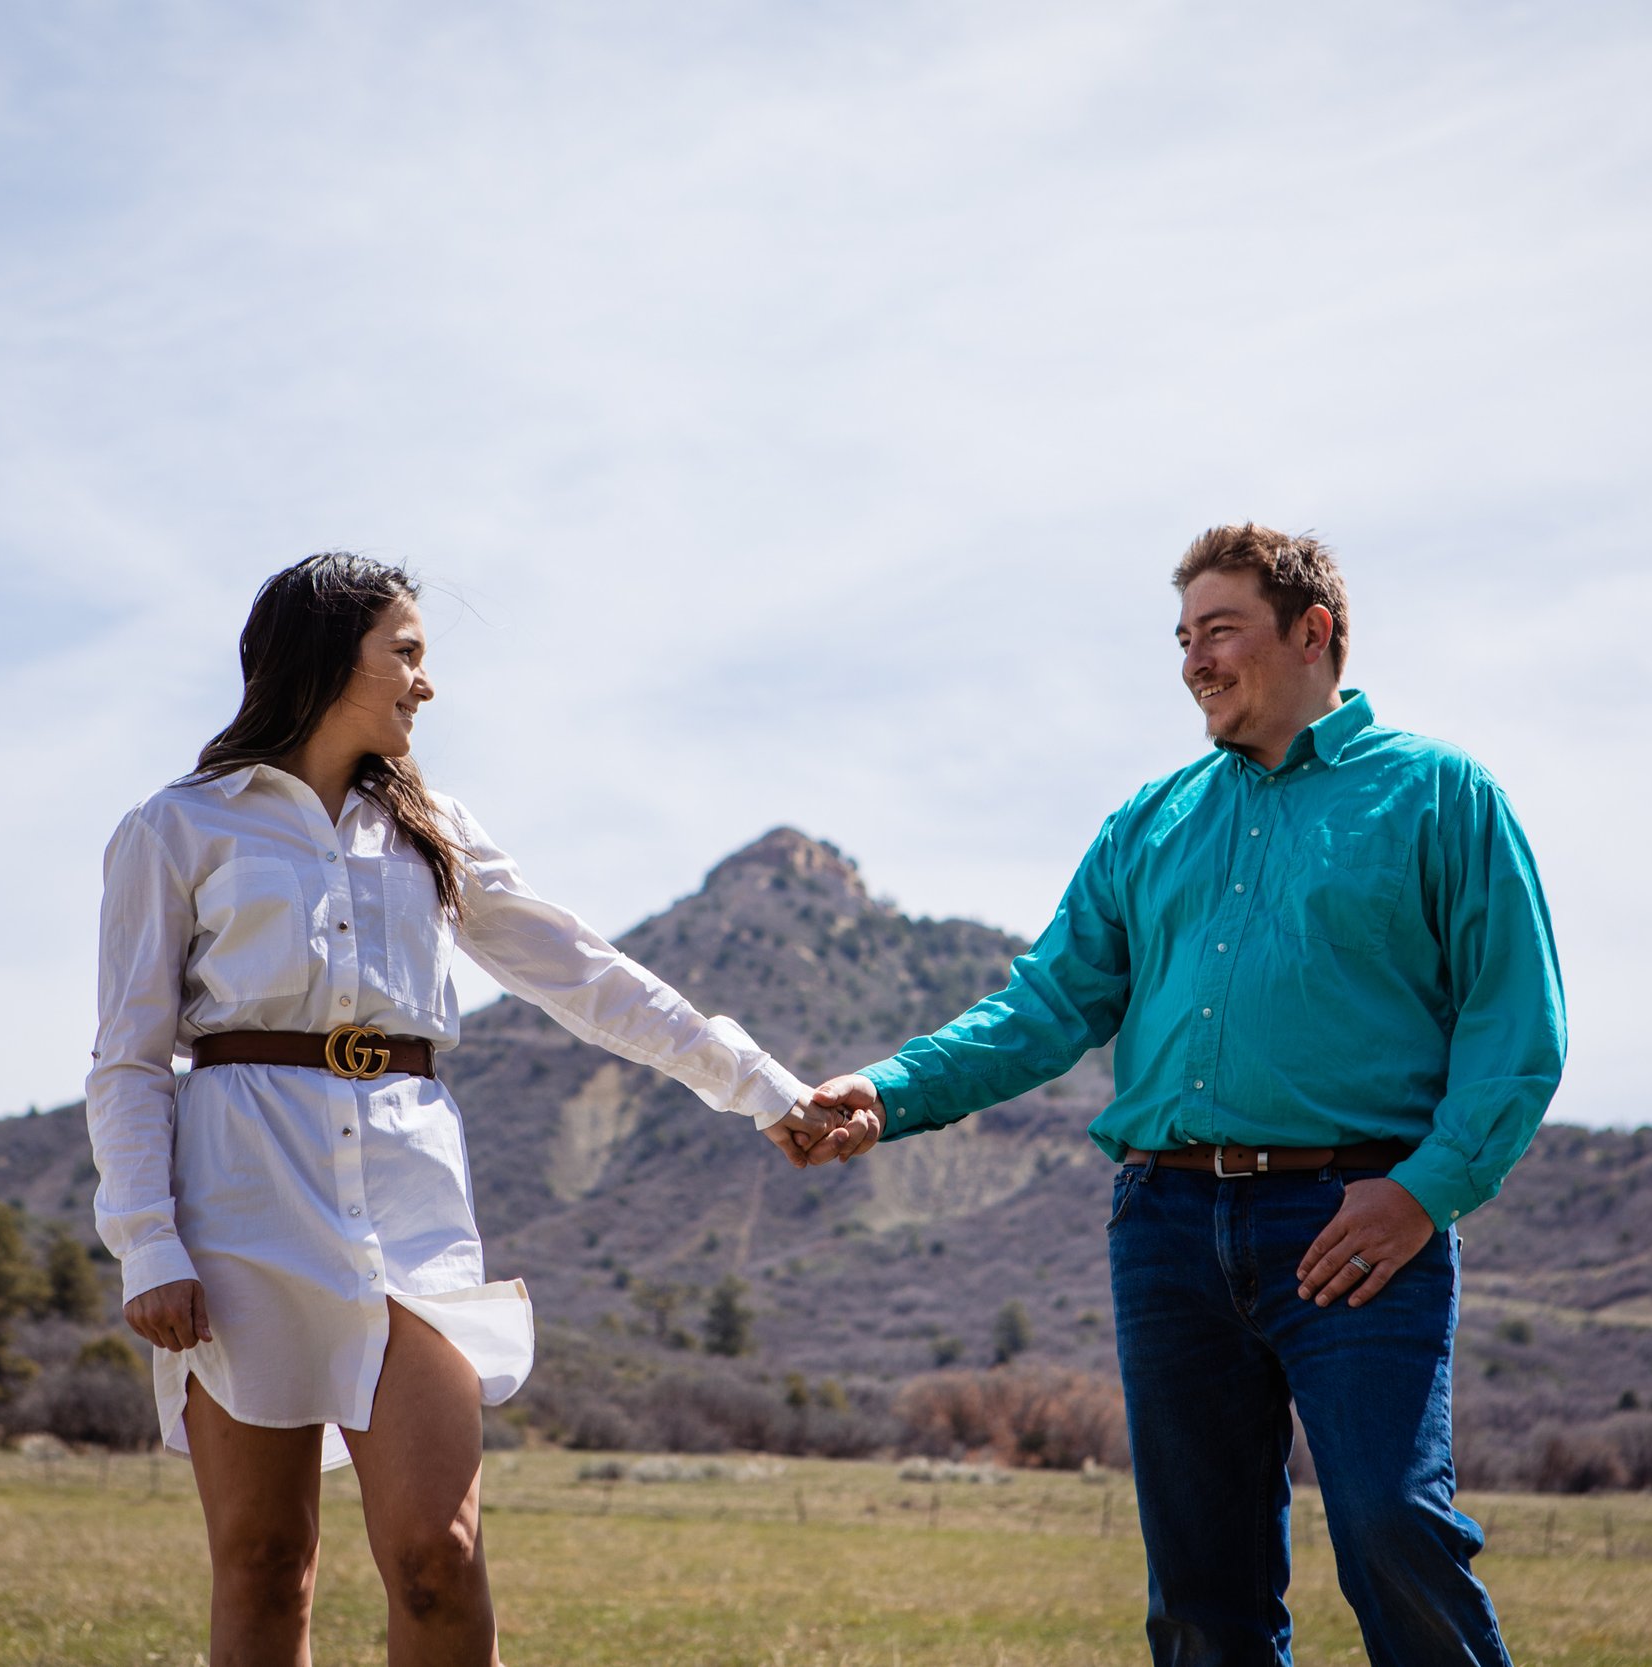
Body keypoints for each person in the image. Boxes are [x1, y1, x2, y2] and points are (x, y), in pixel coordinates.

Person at [804, 524, 1567, 1666]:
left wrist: (1420, 1193)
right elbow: (1046, 1004)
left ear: (1312, 633)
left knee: (1391, 1529)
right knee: (1203, 1593)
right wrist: (890, 1085)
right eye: (1182, 638)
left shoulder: (1441, 796)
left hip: (1357, 1227)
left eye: (1221, 631)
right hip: (1164, 1228)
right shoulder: (1148, 823)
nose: (1194, 661)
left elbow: (1516, 1027)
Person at [86, 552, 848, 1667]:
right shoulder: (179, 827)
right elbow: (128, 1057)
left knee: (438, 1557)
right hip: (240, 1205)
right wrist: (147, 1239)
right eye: (405, 652)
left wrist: (762, 1086)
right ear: (326, 655)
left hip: (410, 1208)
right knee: (263, 1561)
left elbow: (586, 972)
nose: (424, 684)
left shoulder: (429, 825)